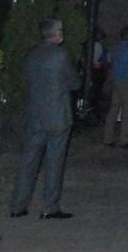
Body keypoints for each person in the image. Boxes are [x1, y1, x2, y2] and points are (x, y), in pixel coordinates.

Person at [8, 16, 78, 220]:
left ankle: (18, 205)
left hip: (35, 114)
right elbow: (74, 82)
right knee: (54, 162)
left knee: (28, 160)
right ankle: (50, 206)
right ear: (56, 34)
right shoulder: (60, 54)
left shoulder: (32, 54)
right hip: (57, 115)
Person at [101, 26, 128, 148]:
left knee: (113, 109)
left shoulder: (115, 49)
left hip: (116, 81)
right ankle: (124, 139)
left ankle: (107, 137)